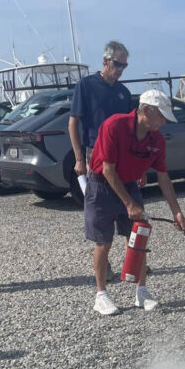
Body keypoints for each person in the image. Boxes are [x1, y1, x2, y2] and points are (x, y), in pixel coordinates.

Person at [84, 89, 185, 315]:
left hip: (129, 183)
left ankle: (142, 291)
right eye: (161, 116)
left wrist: (176, 212)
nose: (164, 122)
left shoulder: (157, 139)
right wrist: (129, 204)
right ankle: (101, 295)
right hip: (101, 184)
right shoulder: (114, 126)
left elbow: (163, 177)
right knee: (103, 241)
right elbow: (109, 171)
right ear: (146, 111)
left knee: (138, 236)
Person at [68, 41, 133, 280]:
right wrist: (79, 158)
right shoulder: (86, 86)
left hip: (121, 158)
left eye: (124, 66)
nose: (120, 70)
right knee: (101, 212)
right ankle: (104, 265)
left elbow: (131, 130)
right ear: (105, 61)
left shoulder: (123, 93)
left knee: (131, 209)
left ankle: (134, 262)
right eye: (117, 64)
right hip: (95, 154)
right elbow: (74, 122)